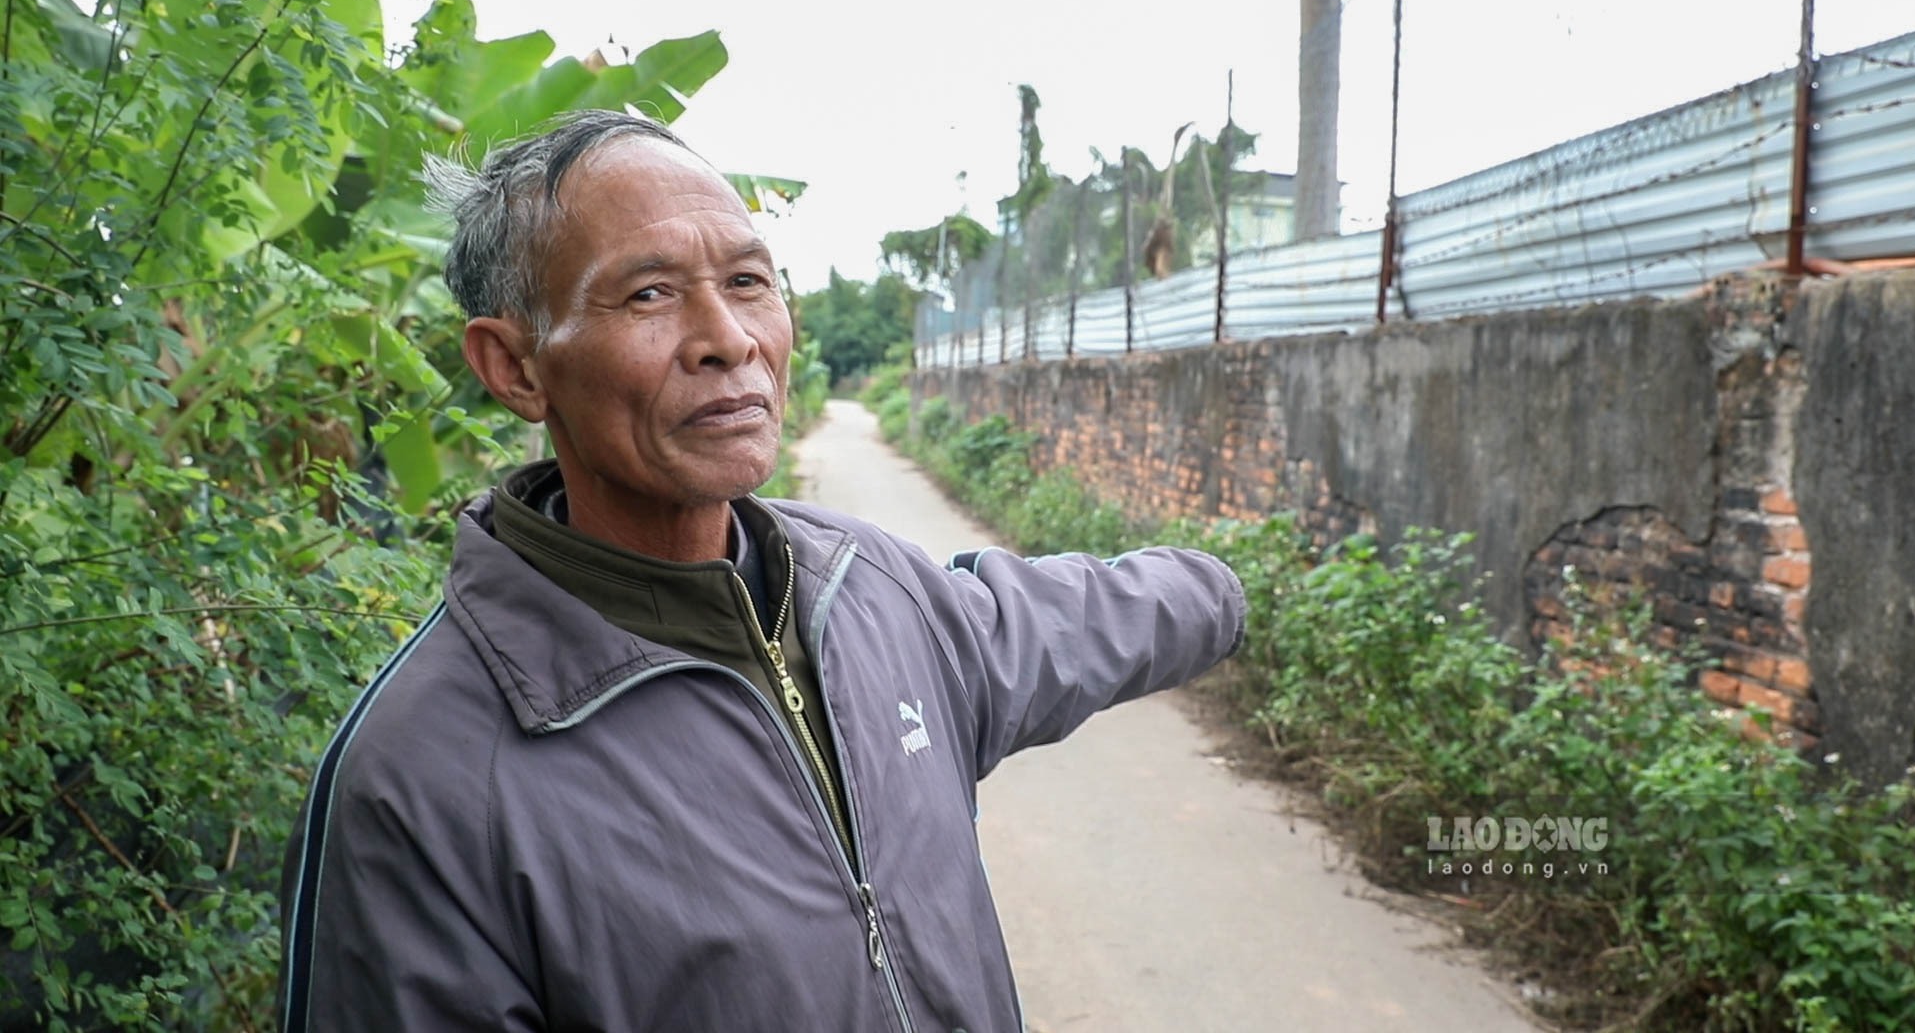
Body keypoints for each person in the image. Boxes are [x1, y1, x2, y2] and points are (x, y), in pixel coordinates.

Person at [277, 109, 1246, 1032]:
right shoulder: (426, 780)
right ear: (516, 367)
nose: (729, 339)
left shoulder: (871, 593)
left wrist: (1234, 589)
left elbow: (1078, 620)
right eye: (649, 293)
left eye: (748, 282)